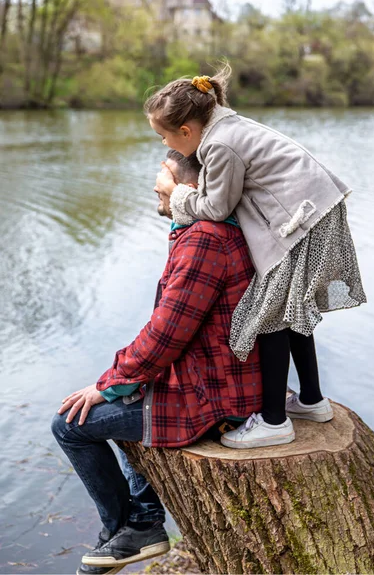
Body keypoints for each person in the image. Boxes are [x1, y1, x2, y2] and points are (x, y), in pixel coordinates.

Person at [51, 149, 263, 575]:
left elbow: (165, 336)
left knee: (71, 426)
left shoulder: (204, 239)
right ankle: (143, 520)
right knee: (125, 398)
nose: (153, 183)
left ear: (189, 186)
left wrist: (107, 384)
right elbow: (168, 332)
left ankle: (127, 532)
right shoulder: (204, 232)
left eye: (162, 172)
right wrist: (122, 381)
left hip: (215, 398)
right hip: (215, 381)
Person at [145, 65, 367, 450]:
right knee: (289, 308)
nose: (163, 144)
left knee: (269, 314)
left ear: (186, 131)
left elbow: (216, 206)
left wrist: (175, 192)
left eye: (163, 136)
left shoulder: (219, 144)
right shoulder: (226, 129)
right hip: (315, 213)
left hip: (304, 220)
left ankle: (274, 420)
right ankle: (312, 400)